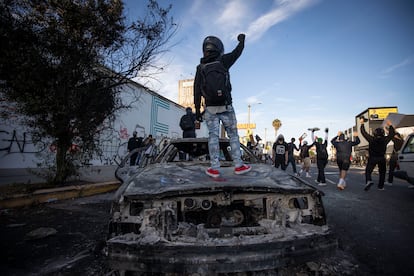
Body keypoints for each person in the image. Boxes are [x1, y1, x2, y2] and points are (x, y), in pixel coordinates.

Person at [194, 33, 251, 178]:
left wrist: (197, 111)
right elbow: (237, 53)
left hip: (210, 108)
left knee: (212, 137)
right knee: (233, 135)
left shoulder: (200, 67)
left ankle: (214, 168)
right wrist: (241, 41)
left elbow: (196, 90)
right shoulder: (224, 61)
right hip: (226, 106)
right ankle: (238, 165)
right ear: (219, 48)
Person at [360, 118, 395, 191]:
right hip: (382, 158)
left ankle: (369, 180)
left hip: (372, 158)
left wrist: (362, 124)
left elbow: (364, 133)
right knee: (382, 172)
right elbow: (392, 134)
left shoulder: (371, 139)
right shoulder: (385, 139)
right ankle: (380, 186)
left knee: (368, 171)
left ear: (374, 133)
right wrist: (390, 125)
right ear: (383, 133)